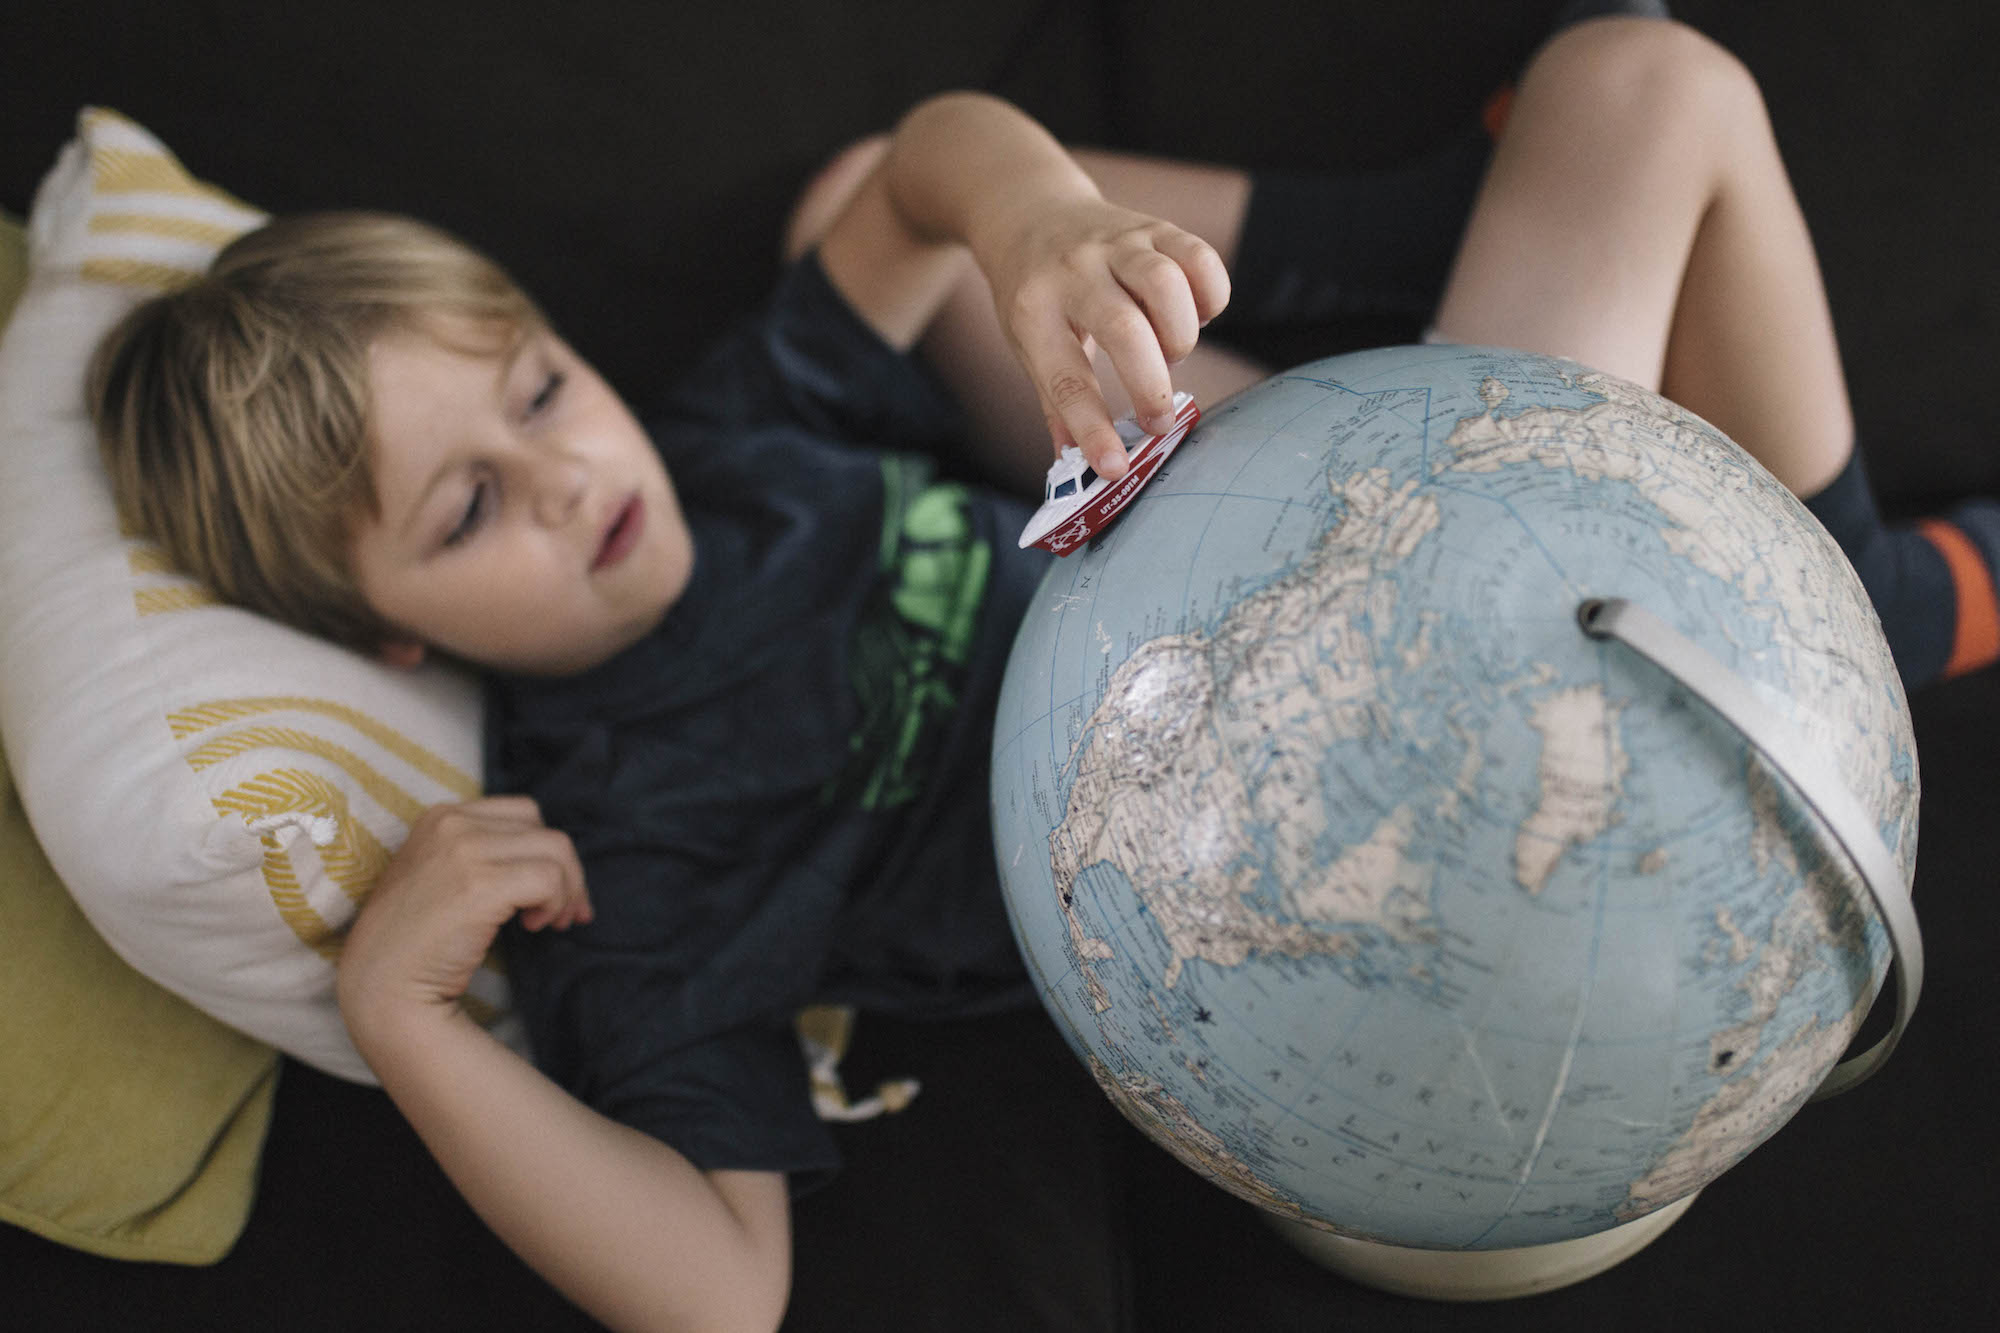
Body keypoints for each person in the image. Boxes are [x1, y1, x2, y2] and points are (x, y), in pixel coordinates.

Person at [83, 13, 1994, 1331]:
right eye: (468, 505)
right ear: (393, 641)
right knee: (1650, 91)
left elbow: (921, 172)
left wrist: (1040, 228)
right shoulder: (634, 857)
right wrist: (410, 1017)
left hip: (1309, 568)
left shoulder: (730, 444)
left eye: (542, 389)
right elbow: (719, 1290)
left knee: (1637, 83)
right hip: (1388, 877)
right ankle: (1865, 609)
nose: (576, 470)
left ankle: (1758, 521)